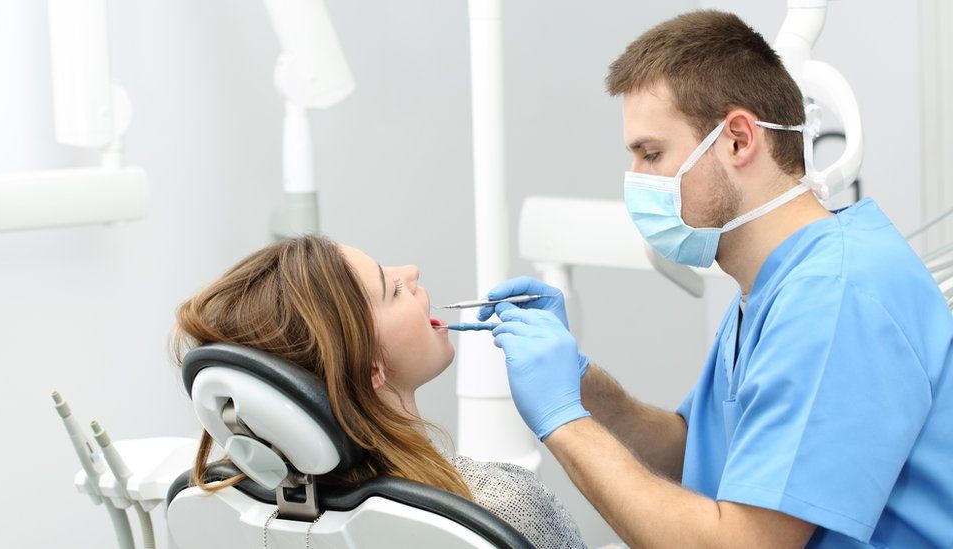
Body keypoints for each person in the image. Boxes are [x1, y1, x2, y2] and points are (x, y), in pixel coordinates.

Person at [478, 10, 953, 548]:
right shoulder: (774, 284)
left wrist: (564, 422)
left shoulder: (834, 295)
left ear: (737, 140)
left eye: (652, 154)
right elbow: (697, 451)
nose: (635, 182)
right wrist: (578, 381)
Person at [169, 234, 586, 548]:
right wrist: (568, 415)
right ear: (372, 368)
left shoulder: (227, 506)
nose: (412, 271)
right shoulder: (501, 506)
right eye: (393, 289)